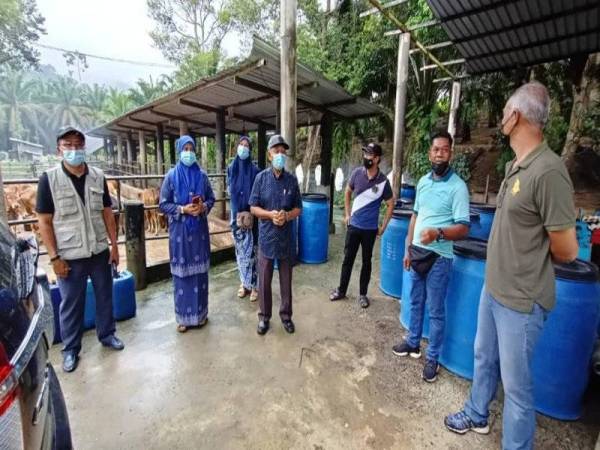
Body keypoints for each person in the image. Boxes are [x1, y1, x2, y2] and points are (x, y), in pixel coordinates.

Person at [444, 82, 578, 449]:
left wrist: (526, 259)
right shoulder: (515, 165)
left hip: (522, 299)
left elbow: (567, 249)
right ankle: (477, 413)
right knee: (483, 356)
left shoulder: (549, 172)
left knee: (517, 389)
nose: (501, 118)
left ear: (515, 116)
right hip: (494, 286)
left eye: (503, 112)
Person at [36, 126, 124, 373]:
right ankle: (71, 349)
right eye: (68, 145)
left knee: (105, 295)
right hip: (70, 255)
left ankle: (107, 335)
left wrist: (114, 245)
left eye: (78, 145)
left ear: (84, 148)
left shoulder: (97, 176)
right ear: (59, 150)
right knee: (71, 303)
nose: (74, 150)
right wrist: (54, 258)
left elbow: (107, 213)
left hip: (98, 251)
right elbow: (44, 221)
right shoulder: (49, 179)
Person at [391, 131, 470, 383]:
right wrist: (407, 248)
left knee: (435, 311)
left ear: (451, 153)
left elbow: (463, 228)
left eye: (444, 150)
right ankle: (413, 343)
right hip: (416, 253)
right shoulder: (423, 182)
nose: (439, 154)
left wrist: (437, 234)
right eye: (436, 149)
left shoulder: (458, 187)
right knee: (414, 302)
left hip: (439, 257)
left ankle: (432, 358)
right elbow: (415, 215)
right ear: (429, 153)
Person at [159, 135, 215, 333]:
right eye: (186, 149)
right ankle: (183, 318)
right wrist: (183, 209)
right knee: (182, 276)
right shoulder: (171, 177)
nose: (189, 153)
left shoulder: (202, 176)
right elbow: (163, 204)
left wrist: (203, 208)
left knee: (200, 275)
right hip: (180, 234)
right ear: (179, 151)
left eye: (192, 149)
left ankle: (200, 316)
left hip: (199, 232)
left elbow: (211, 198)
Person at [329, 142, 394, 308]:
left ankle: (363, 295)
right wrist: (347, 214)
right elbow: (348, 191)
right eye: (365, 154)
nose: (366, 158)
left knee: (367, 262)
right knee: (347, 259)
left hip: (370, 230)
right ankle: (341, 290)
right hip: (354, 227)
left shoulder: (383, 181)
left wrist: (383, 226)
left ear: (377, 158)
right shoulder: (357, 173)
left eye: (369, 155)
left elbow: (390, 204)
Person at [249, 134, 302, 335]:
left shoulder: (292, 180)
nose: (280, 154)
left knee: (286, 280)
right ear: (269, 155)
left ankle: (286, 316)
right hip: (266, 238)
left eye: (283, 151)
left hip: (286, 239)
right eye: (276, 151)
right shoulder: (260, 179)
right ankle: (264, 317)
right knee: (264, 280)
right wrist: (270, 215)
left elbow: (299, 208)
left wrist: (287, 215)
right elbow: (253, 207)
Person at [227, 136, 260, 302]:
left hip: (251, 219)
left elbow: (258, 195)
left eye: (246, 146)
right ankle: (244, 284)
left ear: (250, 150)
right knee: (240, 253)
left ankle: (255, 286)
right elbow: (230, 191)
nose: (243, 148)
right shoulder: (231, 169)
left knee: (253, 252)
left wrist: (251, 211)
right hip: (236, 218)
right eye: (241, 145)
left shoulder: (255, 171)